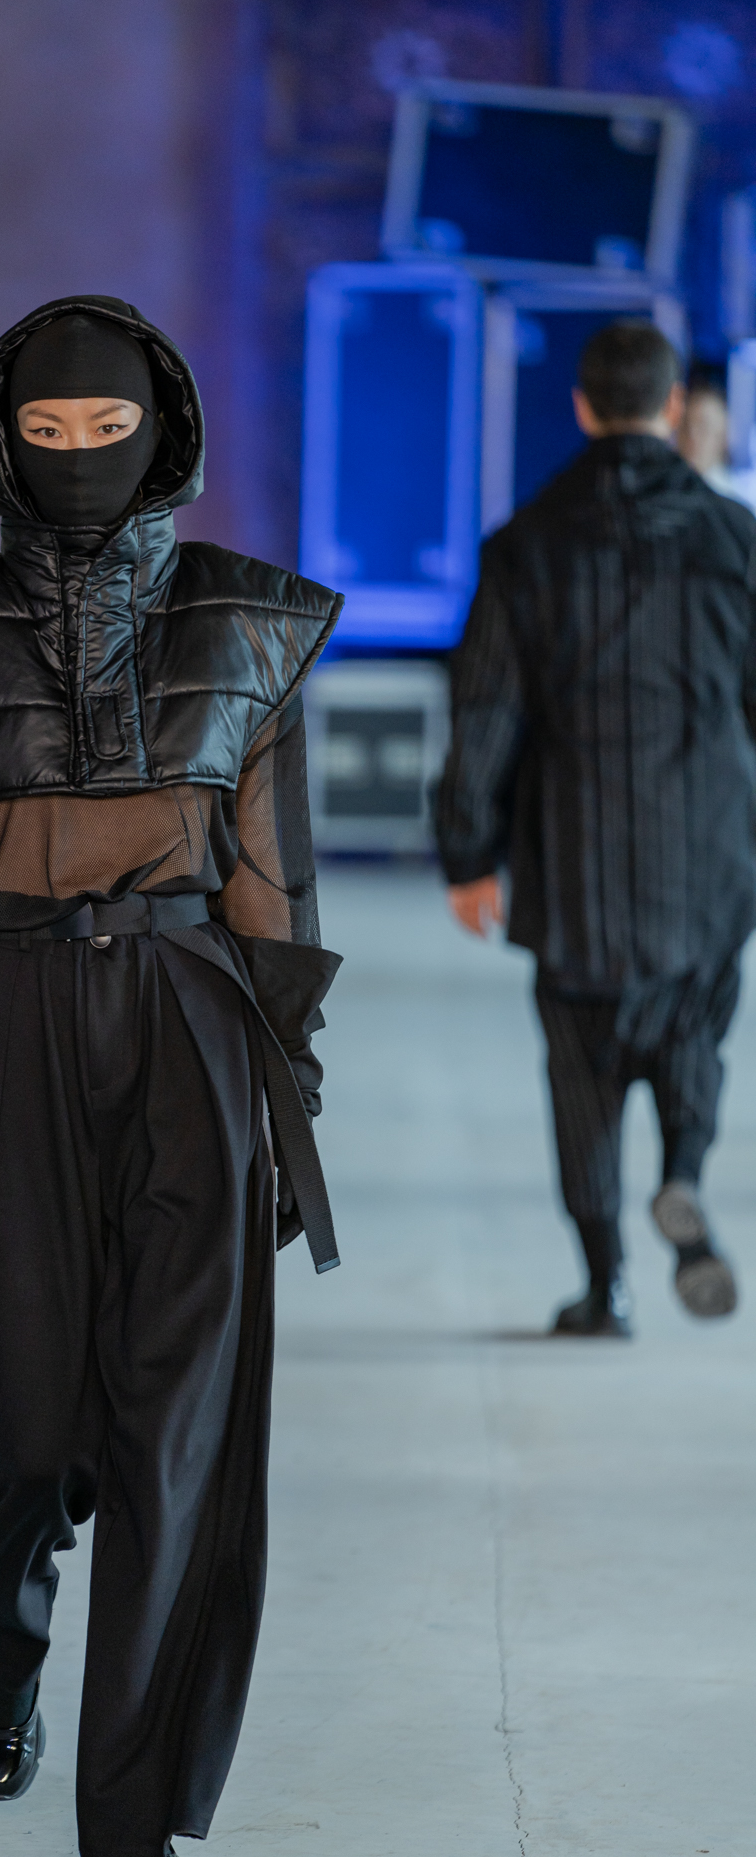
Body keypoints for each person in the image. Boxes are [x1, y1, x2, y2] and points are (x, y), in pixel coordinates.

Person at [0, 296, 342, 1857]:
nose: (76, 457)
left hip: (195, 1031)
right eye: (45, 432)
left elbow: (270, 877)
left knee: (173, 1429)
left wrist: (289, 1099)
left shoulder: (251, 626)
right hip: (2, 1027)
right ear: (4, 442)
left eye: (104, 429)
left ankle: (136, 1825)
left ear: (163, 435)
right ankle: (5, 1641)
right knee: (27, 1428)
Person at [436, 319, 756, 1336]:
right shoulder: (737, 540)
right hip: (707, 852)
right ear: (673, 407)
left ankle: (604, 1285)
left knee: (579, 1075)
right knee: (693, 1029)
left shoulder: (523, 544)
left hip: (571, 854)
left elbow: (484, 710)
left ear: (580, 407)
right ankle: (684, 1172)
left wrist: (467, 854)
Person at [676, 361, 756, 512]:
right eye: (686, 424)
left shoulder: (738, 505)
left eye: (703, 426)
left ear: (723, 436)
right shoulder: (662, 493)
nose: (693, 435)